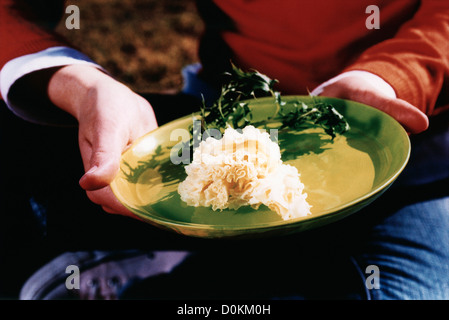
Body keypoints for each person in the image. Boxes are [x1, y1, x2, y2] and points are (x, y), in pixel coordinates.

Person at [1, 0, 448, 300]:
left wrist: (392, 75)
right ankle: (177, 252)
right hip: (226, 118)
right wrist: (77, 82)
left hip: (421, 144)